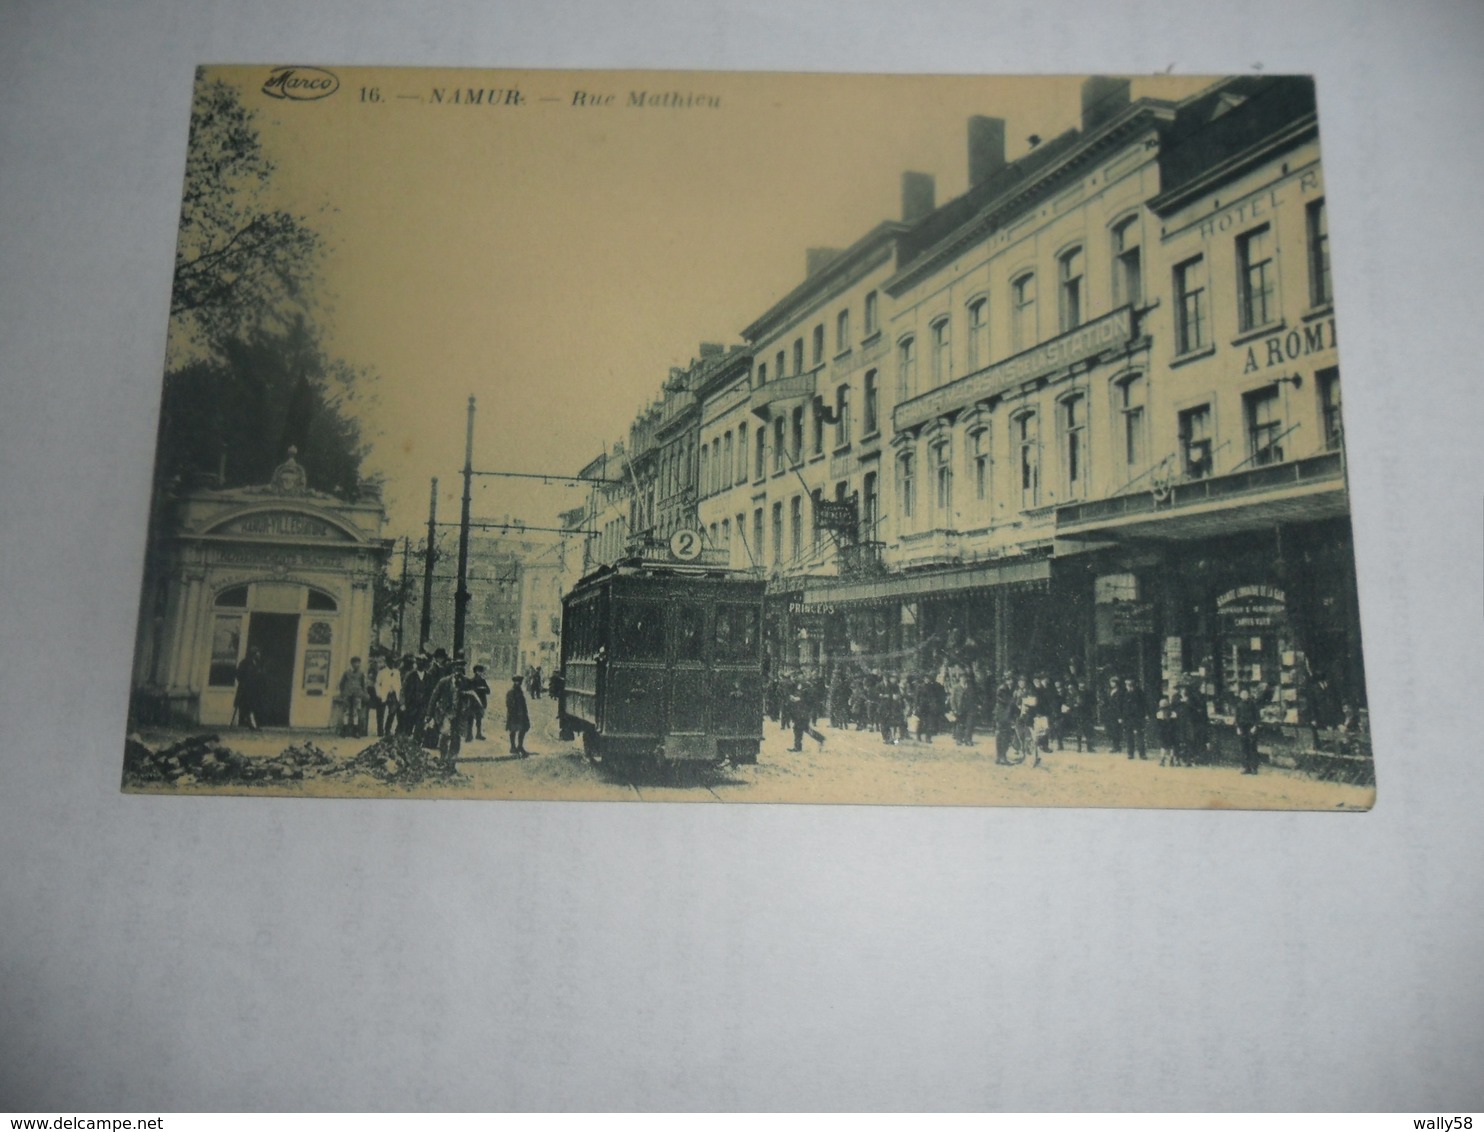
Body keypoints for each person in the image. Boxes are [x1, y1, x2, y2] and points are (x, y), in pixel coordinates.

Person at [785, 677, 826, 752]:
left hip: (803, 712)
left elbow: (808, 699)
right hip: (801, 712)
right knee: (802, 728)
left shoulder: (807, 688)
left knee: (799, 728)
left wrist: (798, 699)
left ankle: (799, 746)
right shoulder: (801, 686)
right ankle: (799, 746)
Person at [233, 647, 264, 730]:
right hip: (245, 689)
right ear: (253, 654)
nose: (259, 655)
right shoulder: (244, 663)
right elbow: (238, 674)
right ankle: (250, 722)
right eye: (257, 653)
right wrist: (244, 681)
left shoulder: (257, 664)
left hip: (254, 689)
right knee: (247, 705)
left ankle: (253, 723)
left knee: (254, 706)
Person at [338, 656, 368, 738]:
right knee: (346, 712)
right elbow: (341, 684)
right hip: (347, 694)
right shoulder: (347, 673)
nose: (357, 665)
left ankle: (356, 731)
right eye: (355, 663)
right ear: (352, 663)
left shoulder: (361, 673)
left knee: (355, 712)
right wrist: (343, 693)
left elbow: (363, 685)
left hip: (357, 695)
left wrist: (364, 693)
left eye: (358, 663)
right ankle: (344, 731)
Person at [1234, 687, 1261, 774]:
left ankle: (1254, 768)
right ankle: (1246, 767)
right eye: (1242, 694)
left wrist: (1255, 727)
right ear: (1240, 695)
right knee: (1244, 747)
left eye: (1246, 694)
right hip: (1242, 728)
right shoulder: (1239, 705)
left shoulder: (1253, 704)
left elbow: (1257, 717)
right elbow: (1237, 718)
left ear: (1248, 695)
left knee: (1252, 747)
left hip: (1251, 727)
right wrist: (1238, 728)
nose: (1244, 696)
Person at [374, 656, 402, 737]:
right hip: (383, 693)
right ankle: (380, 731)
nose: (392, 664)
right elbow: (377, 684)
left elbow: (399, 684)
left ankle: (387, 729)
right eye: (390, 662)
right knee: (380, 713)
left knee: (392, 712)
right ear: (386, 663)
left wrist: (397, 691)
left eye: (393, 662)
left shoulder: (397, 672)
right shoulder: (382, 672)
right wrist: (378, 693)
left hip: (393, 694)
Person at [1121, 677, 1148, 760]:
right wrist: (1122, 716)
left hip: (1138, 717)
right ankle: (1130, 753)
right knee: (1129, 736)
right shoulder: (1124, 693)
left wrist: (1145, 714)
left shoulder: (1139, 693)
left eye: (1128, 685)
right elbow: (1122, 706)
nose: (1127, 687)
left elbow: (1144, 704)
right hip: (1128, 718)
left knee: (1139, 735)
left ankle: (1142, 753)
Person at [506, 674, 531, 757]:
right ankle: (513, 746)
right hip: (514, 715)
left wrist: (525, 713)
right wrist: (514, 713)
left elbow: (523, 704)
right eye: (517, 682)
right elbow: (509, 705)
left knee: (523, 729)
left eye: (519, 682)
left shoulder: (520, 692)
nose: (518, 684)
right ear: (514, 682)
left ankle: (520, 746)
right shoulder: (511, 692)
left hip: (522, 715)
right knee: (513, 730)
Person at [465, 664, 491, 741]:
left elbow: (488, 691)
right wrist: (480, 689)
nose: (480, 673)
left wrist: (483, 689)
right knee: (470, 719)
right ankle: (469, 735)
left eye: (481, 671)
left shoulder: (483, 681)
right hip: (473, 702)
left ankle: (478, 734)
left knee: (479, 720)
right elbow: (470, 691)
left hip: (480, 703)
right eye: (479, 671)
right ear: (475, 671)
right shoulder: (471, 681)